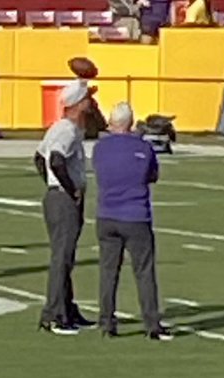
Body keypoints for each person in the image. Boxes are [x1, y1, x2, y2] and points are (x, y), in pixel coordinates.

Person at [93, 102, 172, 341]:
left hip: (107, 214)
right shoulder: (142, 148)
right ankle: (151, 323)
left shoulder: (100, 148)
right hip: (136, 215)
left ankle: (106, 321)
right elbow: (152, 175)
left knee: (108, 271)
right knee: (144, 272)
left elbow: (100, 172)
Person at [36, 80, 95, 335]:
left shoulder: (61, 128)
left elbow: (39, 158)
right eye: (87, 99)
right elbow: (56, 160)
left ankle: (67, 308)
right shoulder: (67, 130)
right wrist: (69, 189)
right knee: (62, 257)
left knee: (65, 256)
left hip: (56, 195)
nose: (91, 103)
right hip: (63, 199)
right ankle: (55, 314)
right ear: (78, 103)